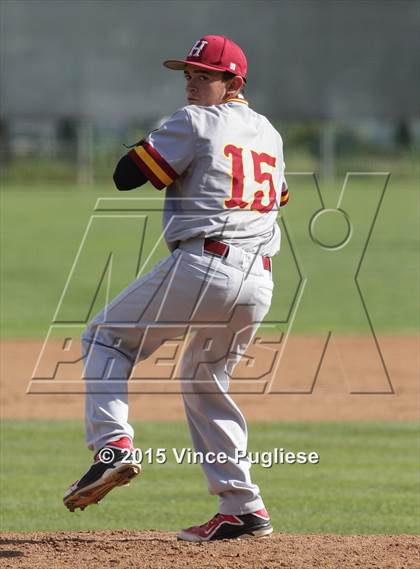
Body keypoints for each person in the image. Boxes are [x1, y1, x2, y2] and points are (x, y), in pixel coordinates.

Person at [63, 34, 288, 542]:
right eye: (188, 74)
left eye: (203, 75)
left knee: (105, 339)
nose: (191, 83)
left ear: (234, 82)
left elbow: (126, 177)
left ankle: (112, 448)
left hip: (205, 264)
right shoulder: (269, 133)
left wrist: (150, 139)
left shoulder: (193, 122)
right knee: (204, 380)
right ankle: (243, 509)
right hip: (258, 280)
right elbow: (280, 196)